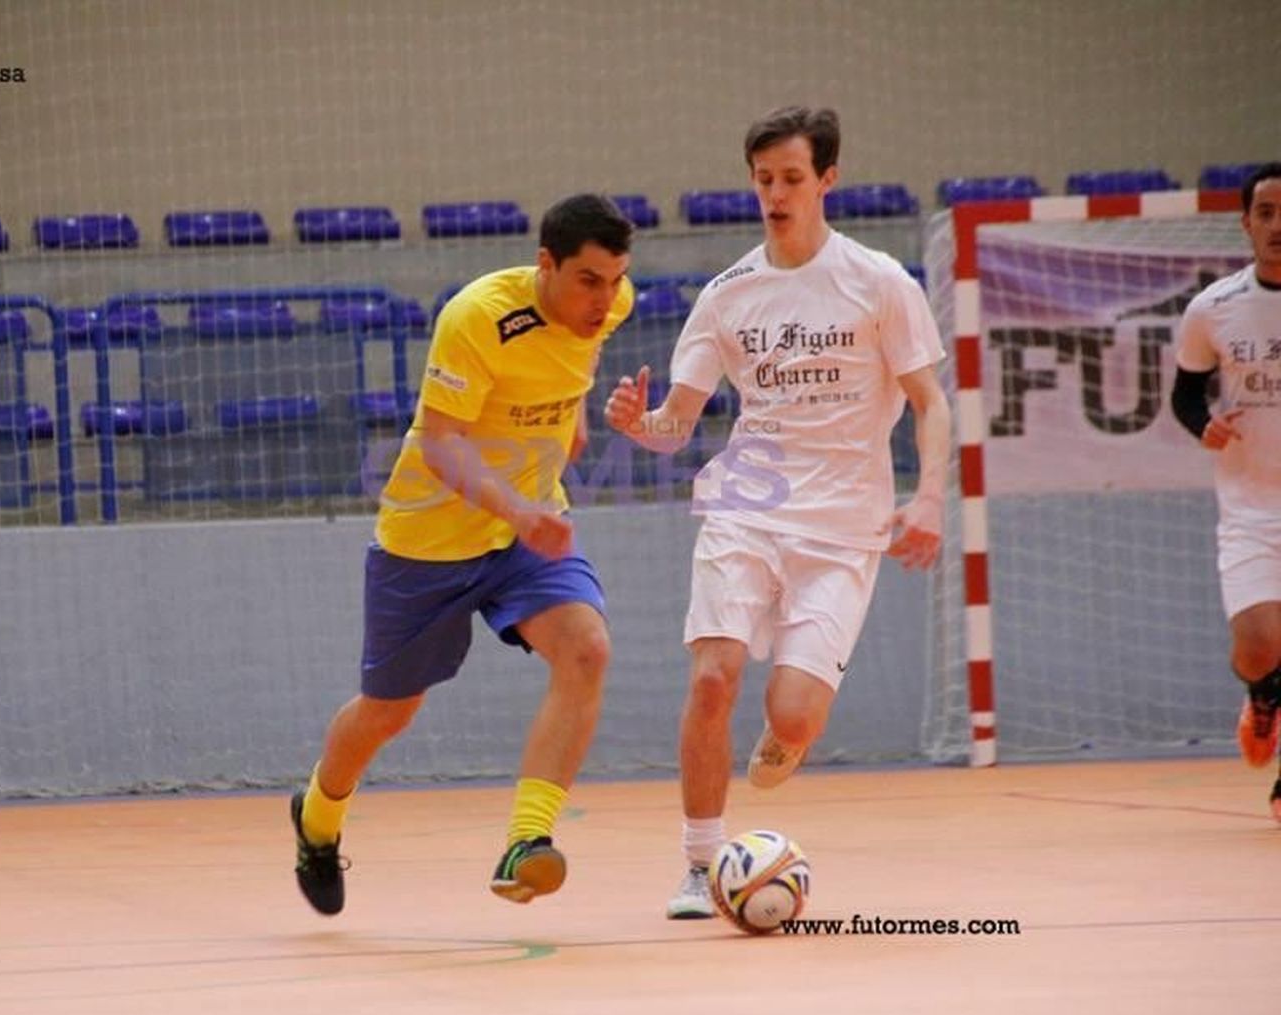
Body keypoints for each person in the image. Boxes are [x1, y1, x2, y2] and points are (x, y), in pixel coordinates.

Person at [602, 106, 951, 918]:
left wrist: (928, 497)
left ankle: (789, 732)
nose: (776, 194)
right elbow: (675, 426)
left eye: (792, 178)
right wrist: (638, 424)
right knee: (714, 675)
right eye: (763, 180)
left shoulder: (880, 283)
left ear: (826, 179)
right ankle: (697, 861)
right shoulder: (728, 296)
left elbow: (930, 402)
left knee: (789, 715)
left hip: (843, 526)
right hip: (746, 508)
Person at [290, 193, 636, 915]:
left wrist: (570, 423)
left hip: (525, 535)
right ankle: (317, 820)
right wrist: (517, 505)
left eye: (614, 280)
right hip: (430, 540)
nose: (604, 299)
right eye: (588, 281)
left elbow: (577, 358)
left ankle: (527, 842)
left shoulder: (611, 303)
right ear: (546, 265)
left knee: (587, 649)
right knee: (388, 713)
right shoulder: (477, 317)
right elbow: (439, 443)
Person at [1171, 161, 1281, 822]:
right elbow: (1185, 391)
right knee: (1258, 643)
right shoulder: (1212, 309)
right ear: (1245, 224)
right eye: (1265, 212)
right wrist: (1201, 424)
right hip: (1250, 507)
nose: (1278, 225)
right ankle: (1264, 693)